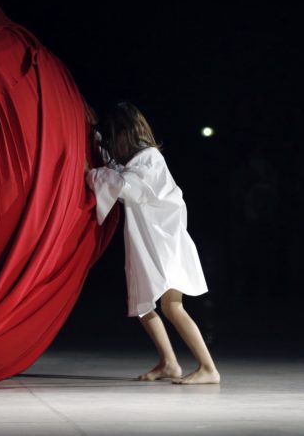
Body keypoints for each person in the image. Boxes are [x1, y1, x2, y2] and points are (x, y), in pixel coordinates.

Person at [84, 101, 220, 385]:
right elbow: (119, 172)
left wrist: (91, 174)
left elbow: (126, 188)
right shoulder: (140, 160)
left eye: (114, 136)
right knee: (143, 303)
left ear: (126, 133)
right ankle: (169, 362)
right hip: (152, 242)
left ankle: (208, 368)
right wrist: (96, 143)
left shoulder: (149, 158)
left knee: (172, 306)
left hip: (165, 243)